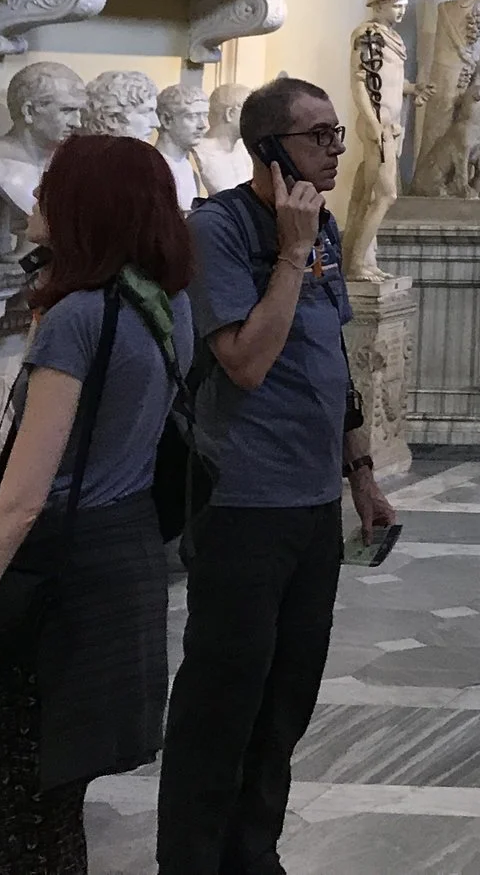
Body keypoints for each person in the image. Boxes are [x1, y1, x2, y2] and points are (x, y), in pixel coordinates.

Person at [0, 137, 195, 872]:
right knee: (55, 803)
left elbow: (22, 500)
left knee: (25, 812)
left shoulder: (80, 318)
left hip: (56, 585)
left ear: (83, 206)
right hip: (123, 559)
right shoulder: (165, 304)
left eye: (47, 191)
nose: (35, 203)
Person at [160, 76, 396, 875]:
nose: (337, 149)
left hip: (310, 501)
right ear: (268, 149)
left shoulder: (324, 225)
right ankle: (192, 861)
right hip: (241, 500)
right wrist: (291, 255)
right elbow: (247, 361)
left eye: (337, 134)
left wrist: (360, 472)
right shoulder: (218, 229)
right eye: (319, 136)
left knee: (287, 696)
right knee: (223, 699)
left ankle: (253, 854)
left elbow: (335, 360)